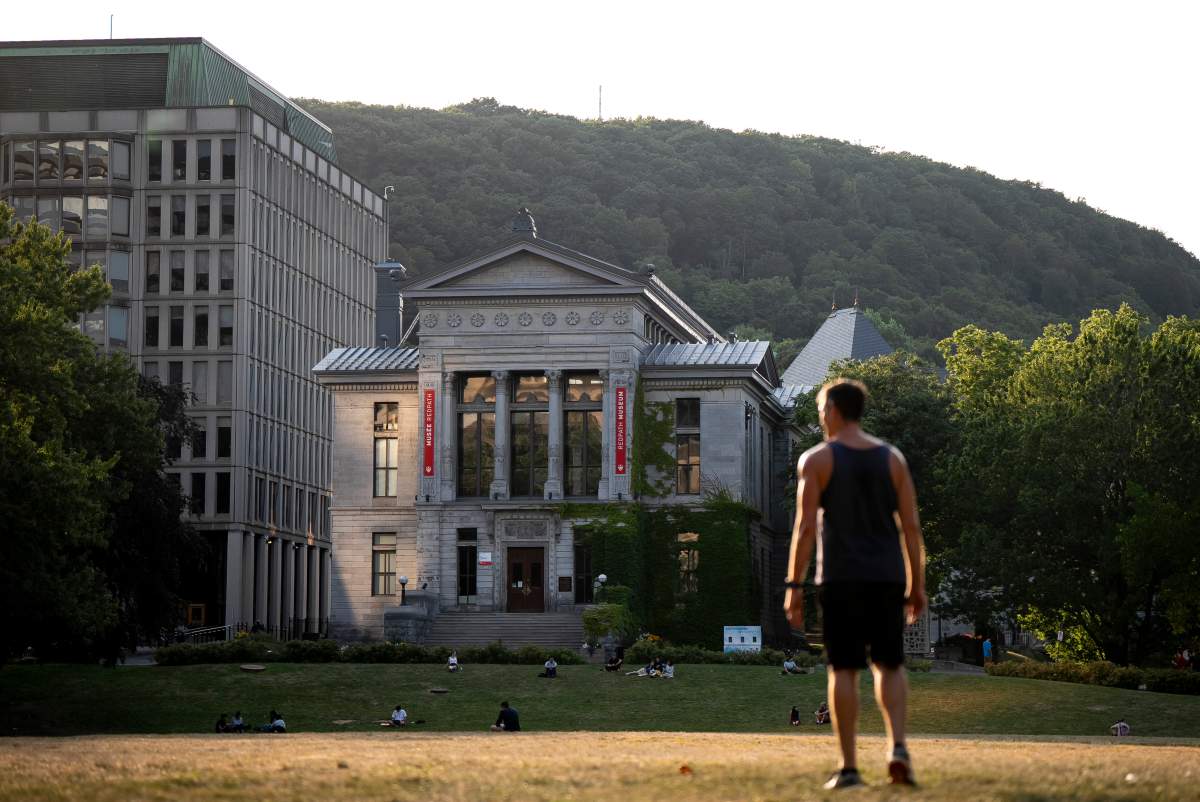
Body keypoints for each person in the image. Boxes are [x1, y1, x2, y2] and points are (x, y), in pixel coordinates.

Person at [783, 379, 927, 790]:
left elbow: (805, 527)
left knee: (843, 669)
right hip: (887, 577)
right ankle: (897, 748)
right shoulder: (892, 459)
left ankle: (849, 768)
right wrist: (917, 585)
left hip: (841, 577)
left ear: (832, 410)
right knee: (890, 663)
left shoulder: (817, 460)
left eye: (819, 409)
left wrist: (794, 586)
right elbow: (911, 528)